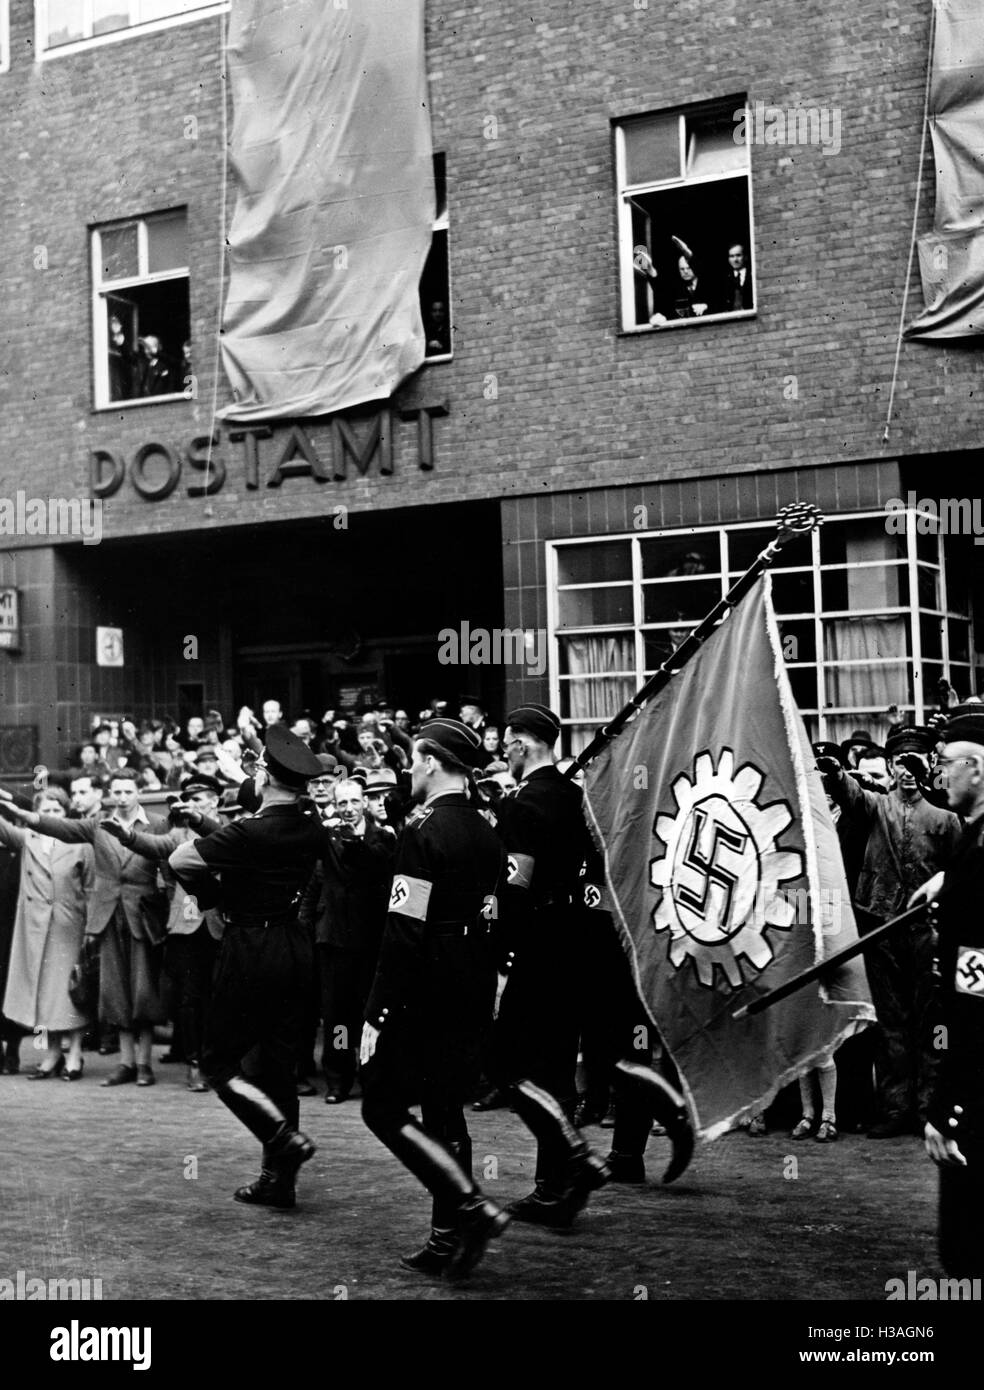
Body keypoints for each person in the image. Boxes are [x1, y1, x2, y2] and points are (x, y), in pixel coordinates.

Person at [359, 719, 511, 1277]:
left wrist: (378, 1008)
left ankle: (468, 1204)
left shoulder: (422, 831)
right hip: (470, 979)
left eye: (416, 759)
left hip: (424, 985)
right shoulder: (488, 829)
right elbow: (496, 913)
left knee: (382, 1106)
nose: (410, 769)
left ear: (429, 762)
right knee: (445, 1106)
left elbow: (404, 928)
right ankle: (448, 1236)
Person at [168, 724, 326, 1210]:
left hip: (249, 949)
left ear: (264, 775)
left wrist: (216, 895)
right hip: (295, 946)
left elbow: (180, 860)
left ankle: (281, 1139)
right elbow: (257, 850)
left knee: (218, 1060)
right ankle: (279, 1181)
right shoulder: (309, 824)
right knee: (278, 1065)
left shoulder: (249, 830)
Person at [490, 704, 611, 1227]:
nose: (504, 753)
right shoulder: (578, 797)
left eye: (506, 743)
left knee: (509, 1068)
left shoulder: (521, 804)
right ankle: (554, 1187)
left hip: (537, 944)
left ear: (521, 744)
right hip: (578, 939)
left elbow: (516, 887)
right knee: (557, 1067)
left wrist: (502, 953)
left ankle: (573, 1159)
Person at [818, 727, 963, 1137]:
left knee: (932, 1022)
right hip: (882, 929)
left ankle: (927, 1108)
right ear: (891, 767)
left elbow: (959, 872)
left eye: (916, 762)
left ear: (928, 768)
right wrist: (833, 774)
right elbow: (851, 795)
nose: (907, 771)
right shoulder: (876, 806)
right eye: (901, 763)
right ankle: (896, 1108)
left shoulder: (945, 819)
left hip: (926, 935)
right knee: (891, 1024)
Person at [0, 770, 169, 1088]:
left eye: (127, 791)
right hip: (72, 924)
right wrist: (15, 810)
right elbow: (32, 829)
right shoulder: (64, 831)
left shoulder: (140, 828)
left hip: (107, 921)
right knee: (82, 996)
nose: (121, 797)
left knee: (114, 993)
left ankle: (116, 1059)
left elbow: (105, 884)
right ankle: (90, 1059)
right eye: (115, 791)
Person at [909, 703, 984, 1277]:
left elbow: (975, 1003)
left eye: (947, 764)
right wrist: (948, 878)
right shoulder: (970, 850)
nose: (939, 775)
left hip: (978, 1091)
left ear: (977, 768)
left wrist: (949, 1110)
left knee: (966, 1253)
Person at [101, 773, 225, 1093]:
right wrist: (127, 836)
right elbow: (151, 844)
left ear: (215, 802)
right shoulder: (178, 834)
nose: (192, 806)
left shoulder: (229, 829)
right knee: (190, 999)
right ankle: (195, 1064)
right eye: (189, 800)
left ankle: (224, 1062)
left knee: (225, 996)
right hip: (186, 926)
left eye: (199, 800)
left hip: (226, 925)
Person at [300, 778, 395, 1104]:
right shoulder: (327, 837)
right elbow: (315, 881)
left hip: (371, 940)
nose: (349, 809)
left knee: (370, 1012)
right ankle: (338, 1079)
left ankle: (371, 1075)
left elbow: (373, 863)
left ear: (365, 802)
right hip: (335, 940)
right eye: (343, 803)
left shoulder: (383, 836)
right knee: (338, 1017)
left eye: (354, 802)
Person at [0, 788, 93, 1081]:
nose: (51, 817)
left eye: (57, 811)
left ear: (66, 814)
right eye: (47, 810)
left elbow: (91, 889)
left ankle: (75, 1053)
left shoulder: (81, 843)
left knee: (70, 992)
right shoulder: (28, 838)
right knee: (45, 993)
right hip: (36, 928)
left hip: (70, 925)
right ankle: (53, 1053)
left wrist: (91, 930)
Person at [721, 242, 753, 312]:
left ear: (745, 257)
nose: (735, 260)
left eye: (738, 255)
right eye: (732, 256)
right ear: (728, 259)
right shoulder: (724, 279)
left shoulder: (752, 274)